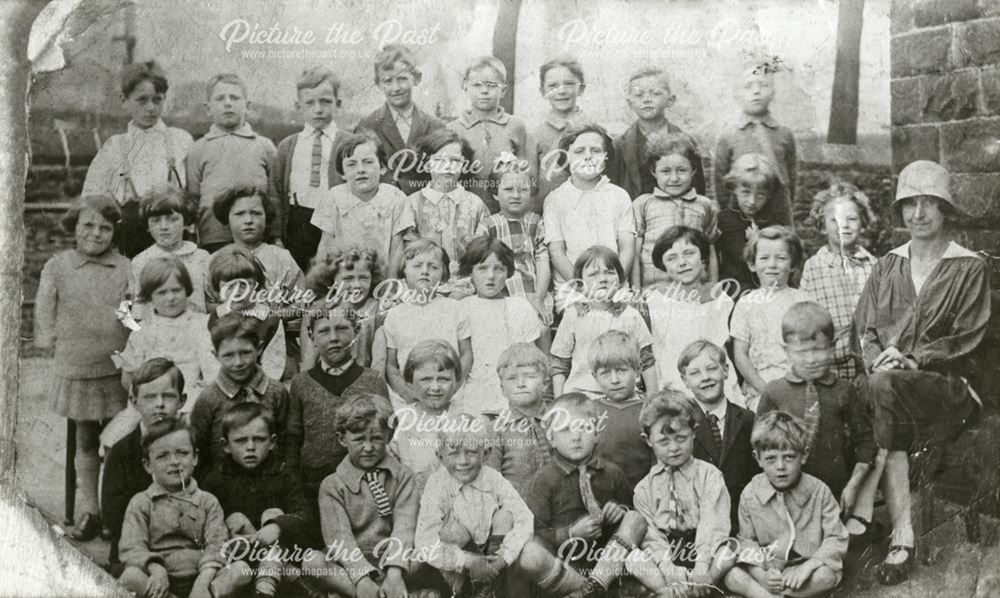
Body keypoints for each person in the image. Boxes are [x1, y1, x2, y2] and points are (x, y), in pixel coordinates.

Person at [853, 160, 990, 584]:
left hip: (949, 387)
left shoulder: (968, 267)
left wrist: (912, 360)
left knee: (882, 387)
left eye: (929, 203)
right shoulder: (886, 266)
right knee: (880, 385)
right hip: (888, 382)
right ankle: (902, 530)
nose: (918, 213)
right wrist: (879, 357)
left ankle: (881, 523)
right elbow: (865, 328)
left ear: (945, 209)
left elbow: (967, 337)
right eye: (910, 203)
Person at [33, 195, 132, 541]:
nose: (96, 233)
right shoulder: (58, 266)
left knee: (119, 441)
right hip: (76, 366)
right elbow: (45, 313)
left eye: (105, 228)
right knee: (86, 439)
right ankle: (89, 509)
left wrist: (138, 342)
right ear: (75, 227)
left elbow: (130, 316)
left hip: (116, 367)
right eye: (88, 225)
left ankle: (115, 512)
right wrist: (48, 343)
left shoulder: (124, 268)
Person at [758, 302, 880, 545]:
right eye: (802, 352)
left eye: (819, 350)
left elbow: (866, 442)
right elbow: (761, 448)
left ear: (833, 347)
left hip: (834, 493)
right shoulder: (775, 392)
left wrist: (853, 486)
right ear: (786, 351)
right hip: (786, 496)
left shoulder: (844, 391)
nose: (812, 359)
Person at [317, 394, 441, 598]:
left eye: (376, 438)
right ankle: (382, 594)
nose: (368, 447)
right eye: (358, 439)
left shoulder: (402, 476)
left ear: (389, 436)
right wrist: (361, 577)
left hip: (396, 560)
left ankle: (378, 590)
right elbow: (340, 539)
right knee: (313, 562)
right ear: (342, 439)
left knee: (432, 551)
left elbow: (405, 527)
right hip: (351, 563)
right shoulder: (332, 485)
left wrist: (394, 572)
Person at [524, 393, 647, 598]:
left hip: (607, 561)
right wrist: (570, 533)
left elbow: (631, 512)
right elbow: (536, 530)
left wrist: (620, 511)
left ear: (597, 434)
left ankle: (595, 586)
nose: (576, 437)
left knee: (636, 519)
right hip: (566, 564)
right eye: (565, 430)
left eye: (584, 428)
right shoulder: (544, 479)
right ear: (551, 438)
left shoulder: (611, 472)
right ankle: (589, 590)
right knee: (529, 553)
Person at [118, 419, 251, 598]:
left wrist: (202, 583)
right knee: (130, 577)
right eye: (162, 456)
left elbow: (217, 545)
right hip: (160, 582)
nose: (174, 462)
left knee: (241, 570)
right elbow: (132, 547)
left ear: (195, 457)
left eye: (182, 453)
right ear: (148, 465)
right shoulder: (141, 502)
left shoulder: (207, 501)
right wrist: (157, 570)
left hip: (203, 580)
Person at [722, 412, 847, 598]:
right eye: (771, 459)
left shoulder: (819, 491)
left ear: (803, 456)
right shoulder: (750, 494)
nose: (780, 466)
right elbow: (747, 541)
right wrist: (762, 576)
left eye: (789, 457)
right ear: (758, 459)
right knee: (731, 576)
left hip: (807, 569)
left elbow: (836, 537)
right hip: (769, 571)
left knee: (826, 576)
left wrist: (809, 565)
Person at [201, 403, 316, 598]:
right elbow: (207, 527)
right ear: (225, 445)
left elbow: (306, 515)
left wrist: (277, 527)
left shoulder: (284, 473)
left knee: (273, 514)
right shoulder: (215, 481)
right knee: (235, 518)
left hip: (280, 559)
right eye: (240, 440)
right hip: (238, 563)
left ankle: (266, 589)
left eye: (259, 439)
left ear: (272, 442)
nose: (250, 447)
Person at [414, 414, 535, 598]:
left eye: (471, 452)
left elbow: (525, 518)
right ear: (440, 455)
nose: (463, 461)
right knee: (453, 530)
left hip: (494, 557)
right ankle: (468, 591)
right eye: (454, 453)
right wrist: (468, 561)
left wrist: (503, 558)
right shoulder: (437, 483)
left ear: (485, 453)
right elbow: (425, 541)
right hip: (458, 564)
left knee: (506, 516)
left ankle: (489, 587)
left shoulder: (493, 478)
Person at [82, 60, 193, 258]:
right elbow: (92, 195)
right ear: (123, 100)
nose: (150, 108)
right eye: (142, 100)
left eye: (157, 100)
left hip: (176, 242)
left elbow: (194, 193)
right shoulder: (114, 147)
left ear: (164, 98)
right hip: (132, 242)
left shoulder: (181, 140)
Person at [628, 390, 734, 596]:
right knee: (632, 558)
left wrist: (702, 567)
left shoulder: (709, 475)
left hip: (704, 551)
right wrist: (669, 570)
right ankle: (667, 591)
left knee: (729, 552)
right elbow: (652, 537)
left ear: (694, 432)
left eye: (681, 438)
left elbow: (712, 524)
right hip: (667, 554)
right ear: (648, 440)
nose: (674, 448)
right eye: (664, 442)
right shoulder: (644, 487)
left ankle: (705, 585)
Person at [288, 302, 388, 498]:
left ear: (357, 331)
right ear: (312, 337)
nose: (334, 338)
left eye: (342, 329)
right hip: (313, 485)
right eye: (324, 331)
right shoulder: (301, 383)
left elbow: (386, 435)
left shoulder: (373, 380)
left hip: (364, 485)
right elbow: (293, 439)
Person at [101, 358, 184, 570]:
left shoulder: (190, 449)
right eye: (149, 397)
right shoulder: (122, 452)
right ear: (134, 400)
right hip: (134, 550)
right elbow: (112, 515)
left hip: (183, 547)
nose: (159, 404)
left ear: (182, 400)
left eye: (167, 396)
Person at [189, 313, 292, 478]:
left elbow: (286, 442)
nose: (238, 362)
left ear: (258, 349)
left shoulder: (276, 392)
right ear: (215, 355)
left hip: (271, 483)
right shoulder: (208, 398)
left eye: (245, 353)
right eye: (228, 355)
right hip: (223, 487)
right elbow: (199, 449)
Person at [645, 226, 740, 400]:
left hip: (719, 387)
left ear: (703, 256)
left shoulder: (722, 299)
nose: (682, 262)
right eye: (672, 258)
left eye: (689, 253)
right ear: (663, 265)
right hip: (675, 389)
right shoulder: (655, 301)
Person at [269, 66, 350, 269]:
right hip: (298, 223)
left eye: (325, 101)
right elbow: (275, 193)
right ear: (298, 106)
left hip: (336, 225)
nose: (318, 109)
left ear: (337, 104)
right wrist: (276, 235)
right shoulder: (288, 146)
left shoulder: (349, 142)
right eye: (309, 103)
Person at [186, 73, 276, 252]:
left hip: (257, 237)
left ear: (247, 106)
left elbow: (274, 197)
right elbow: (193, 199)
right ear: (208, 107)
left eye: (234, 97)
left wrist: (276, 236)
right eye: (220, 98)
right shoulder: (199, 149)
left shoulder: (264, 146)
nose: (228, 103)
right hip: (213, 238)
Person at [550, 247, 655, 397]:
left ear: (620, 279)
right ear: (580, 285)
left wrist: (652, 397)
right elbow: (560, 363)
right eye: (593, 274)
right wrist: (559, 401)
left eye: (610, 272)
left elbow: (646, 358)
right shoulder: (573, 315)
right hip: (582, 396)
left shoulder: (631, 315)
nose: (603, 279)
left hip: (624, 395)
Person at [799, 183, 878, 380]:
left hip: (870, 367)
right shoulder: (814, 267)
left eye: (852, 219)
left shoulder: (875, 266)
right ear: (822, 226)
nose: (844, 225)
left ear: (863, 222)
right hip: (830, 371)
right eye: (835, 220)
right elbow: (806, 323)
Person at [457, 237, 544, 416]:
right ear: (470, 272)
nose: (491, 276)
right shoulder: (462, 308)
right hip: (474, 398)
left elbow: (532, 361)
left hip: (516, 395)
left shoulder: (520, 307)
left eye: (499, 269)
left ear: (508, 272)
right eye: (482, 268)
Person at [382, 240, 473, 408]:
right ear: (404, 270)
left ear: (444, 274)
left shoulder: (454, 309)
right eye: (417, 266)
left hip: (451, 396)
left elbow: (466, 355)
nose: (425, 271)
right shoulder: (395, 315)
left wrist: (453, 388)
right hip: (410, 399)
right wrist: (407, 393)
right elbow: (391, 365)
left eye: (433, 267)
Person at [543, 124, 635, 290]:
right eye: (579, 151)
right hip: (573, 289)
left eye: (596, 150)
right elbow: (557, 253)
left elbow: (627, 247)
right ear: (566, 157)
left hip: (615, 288)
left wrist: (615, 283)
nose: (588, 157)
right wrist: (582, 287)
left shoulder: (619, 196)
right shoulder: (555, 200)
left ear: (606, 156)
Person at [730, 225, 810, 411]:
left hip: (800, 384)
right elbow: (740, 354)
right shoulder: (746, 303)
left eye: (781, 258)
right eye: (764, 258)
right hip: (761, 388)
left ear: (794, 264)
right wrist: (765, 390)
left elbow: (813, 347)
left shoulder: (803, 300)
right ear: (752, 264)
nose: (772, 265)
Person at [678, 340, 758, 528]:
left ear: (726, 371)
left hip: (743, 521)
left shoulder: (748, 419)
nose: (705, 377)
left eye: (711, 369)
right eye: (695, 373)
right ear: (685, 381)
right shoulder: (681, 423)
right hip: (697, 522)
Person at [311, 133, 414, 277]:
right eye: (351, 164)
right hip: (345, 278)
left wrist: (390, 285)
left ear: (382, 167)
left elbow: (397, 249)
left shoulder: (395, 197)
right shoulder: (333, 197)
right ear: (342, 173)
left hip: (383, 278)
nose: (361, 169)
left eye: (368, 162)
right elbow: (326, 246)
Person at [356, 44, 446, 196]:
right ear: (379, 84)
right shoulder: (368, 126)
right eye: (388, 81)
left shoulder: (436, 127)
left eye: (402, 79)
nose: (395, 88)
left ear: (416, 79)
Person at [632, 133, 720, 288]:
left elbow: (711, 249)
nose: (674, 178)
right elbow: (636, 253)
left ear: (693, 170)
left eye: (681, 170)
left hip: (695, 290)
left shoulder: (705, 205)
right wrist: (636, 290)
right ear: (654, 172)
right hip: (654, 290)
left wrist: (713, 285)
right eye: (666, 171)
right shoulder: (644, 204)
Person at [713, 61, 797, 222]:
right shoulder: (729, 134)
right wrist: (729, 213)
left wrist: (783, 208)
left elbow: (790, 180)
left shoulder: (784, 134)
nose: (756, 91)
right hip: (739, 213)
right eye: (748, 86)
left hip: (777, 214)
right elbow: (720, 182)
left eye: (763, 85)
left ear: (773, 92)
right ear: (737, 93)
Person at [446, 55, 531, 213]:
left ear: (503, 90)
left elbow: (523, 174)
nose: (484, 91)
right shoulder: (453, 128)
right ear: (465, 86)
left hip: (503, 211)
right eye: (477, 85)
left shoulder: (515, 126)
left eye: (491, 85)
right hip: (465, 211)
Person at [608, 67, 705, 199]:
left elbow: (698, 191)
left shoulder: (687, 142)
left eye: (655, 93)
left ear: (670, 100)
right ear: (630, 103)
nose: (647, 99)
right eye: (639, 95)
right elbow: (613, 190)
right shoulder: (619, 145)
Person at [476, 158, 553, 325]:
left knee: (542, 328)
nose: (516, 195)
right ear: (495, 193)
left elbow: (542, 261)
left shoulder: (536, 223)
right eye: (508, 189)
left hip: (533, 291)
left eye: (523, 189)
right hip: (499, 292)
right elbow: (480, 266)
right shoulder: (488, 226)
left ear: (531, 192)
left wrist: (539, 298)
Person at [405, 129, 491, 277]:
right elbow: (407, 249)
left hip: (466, 282)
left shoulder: (475, 204)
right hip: (424, 280)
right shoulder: (412, 204)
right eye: (439, 160)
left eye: (455, 160)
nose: (447, 166)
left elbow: (482, 250)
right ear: (426, 163)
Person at [388, 340, 466, 490]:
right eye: (425, 379)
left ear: (456, 381)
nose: (435, 387)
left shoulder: (466, 417)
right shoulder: (402, 421)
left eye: (443, 379)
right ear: (410, 382)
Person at [207, 245, 288, 382]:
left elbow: (274, 364)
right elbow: (211, 364)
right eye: (230, 286)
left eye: (244, 284)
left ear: (256, 285)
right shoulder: (215, 319)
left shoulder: (269, 319)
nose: (238, 292)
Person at [130, 188, 211, 319]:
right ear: (147, 226)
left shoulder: (201, 257)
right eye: (155, 220)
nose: (164, 226)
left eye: (172, 219)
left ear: (186, 222)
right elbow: (140, 311)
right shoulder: (141, 261)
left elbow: (212, 302)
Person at [486, 343, 553, 498]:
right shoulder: (496, 429)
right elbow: (491, 479)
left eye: (530, 376)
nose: (521, 384)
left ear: (545, 384)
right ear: (502, 388)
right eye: (512, 378)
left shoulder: (559, 420)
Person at [587, 330, 653, 488]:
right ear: (594, 376)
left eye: (621, 370)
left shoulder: (651, 409)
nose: (614, 380)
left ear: (638, 369)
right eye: (605, 373)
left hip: (646, 497)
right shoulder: (590, 411)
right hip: (604, 498)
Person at [716, 154, 788, 295]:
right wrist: (754, 243)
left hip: (770, 289)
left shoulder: (773, 223)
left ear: (768, 194)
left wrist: (758, 239)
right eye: (746, 193)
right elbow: (736, 256)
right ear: (734, 188)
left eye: (760, 195)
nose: (752, 201)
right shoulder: (725, 220)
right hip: (735, 289)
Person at [530, 55, 590, 205]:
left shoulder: (594, 131)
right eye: (552, 86)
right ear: (543, 91)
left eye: (569, 84)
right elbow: (530, 181)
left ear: (581, 88)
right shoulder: (535, 135)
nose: (561, 91)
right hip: (548, 211)